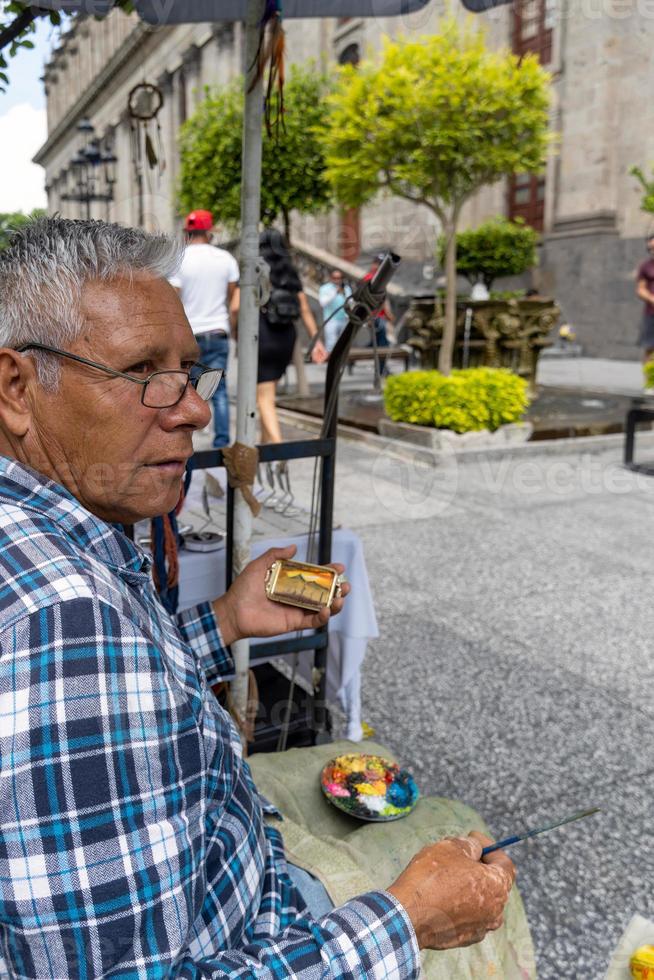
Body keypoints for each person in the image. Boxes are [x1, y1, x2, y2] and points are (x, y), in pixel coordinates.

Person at [0, 217, 515, 978]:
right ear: (16, 389)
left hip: (238, 876)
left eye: (190, 369)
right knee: (465, 845)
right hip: (253, 930)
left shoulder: (42, 539)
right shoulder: (66, 629)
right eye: (144, 373)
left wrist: (225, 620)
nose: (194, 410)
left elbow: (121, 692)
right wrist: (406, 923)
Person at [231, 228, 327, 444]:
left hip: (261, 336)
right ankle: (266, 445)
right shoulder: (289, 272)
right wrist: (315, 341)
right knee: (267, 392)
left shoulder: (252, 270)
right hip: (286, 338)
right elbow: (304, 310)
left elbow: (236, 307)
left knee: (264, 399)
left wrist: (236, 331)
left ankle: (277, 446)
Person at [169, 209, 238, 448]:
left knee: (186, 388)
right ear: (209, 232)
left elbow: (173, 300)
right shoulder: (225, 259)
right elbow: (234, 300)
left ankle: (187, 439)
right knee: (218, 390)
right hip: (218, 330)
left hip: (190, 335)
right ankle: (221, 443)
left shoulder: (179, 259)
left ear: (188, 232)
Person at [318, 268, 353, 353]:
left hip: (344, 319)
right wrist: (335, 292)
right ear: (331, 278)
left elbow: (350, 302)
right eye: (335, 278)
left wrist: (343, 293)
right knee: (331, 343)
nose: (337, 280)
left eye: (339, 278)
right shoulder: (325, 288)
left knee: (344, 342)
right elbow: (322, 303)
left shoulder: (346, 288)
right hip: (331, 319)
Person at [636, 235, 654, 369]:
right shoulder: (645, 266)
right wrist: (652, 299)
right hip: (651, 313)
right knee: (649, 347)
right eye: (650, 248)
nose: (652, 250)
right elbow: (640, 289)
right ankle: (650, 384)